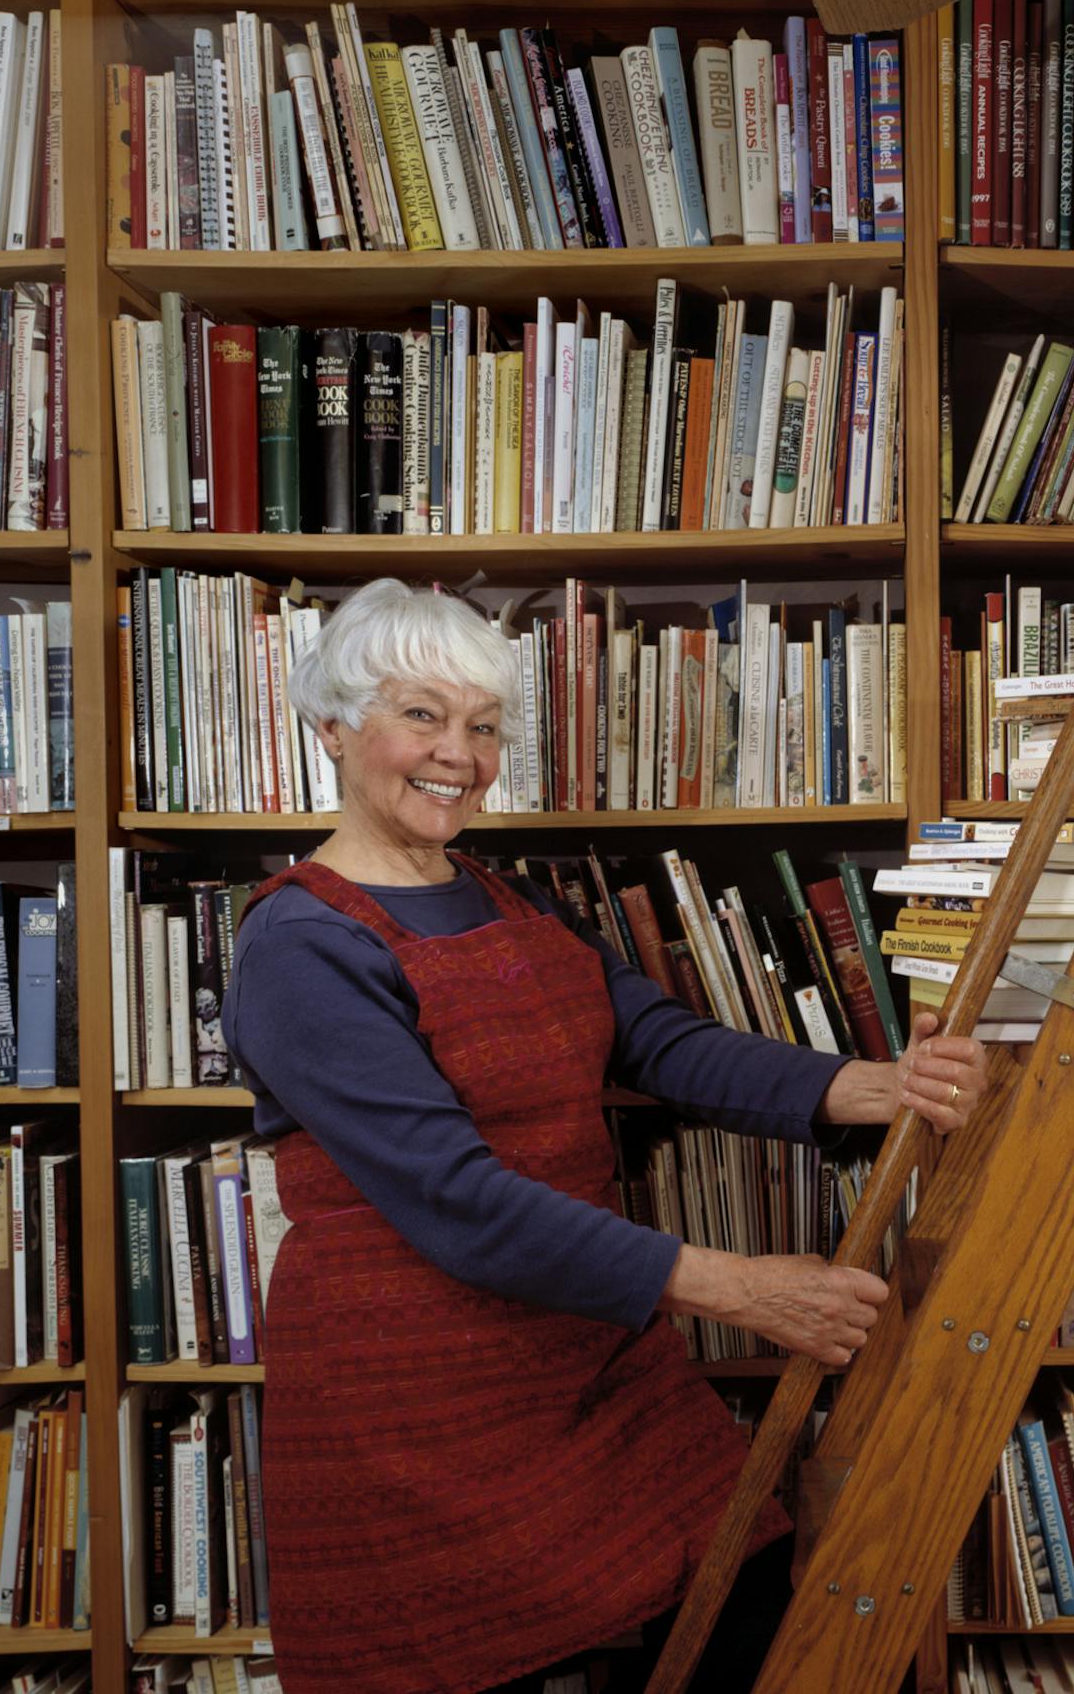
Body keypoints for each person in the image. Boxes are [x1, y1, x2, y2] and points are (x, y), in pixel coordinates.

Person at [222, 579, 987, 1694]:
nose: (460, 753)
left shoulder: (508, 895)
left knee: (771, 1603)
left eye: (483, 725)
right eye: (421, 715)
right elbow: (458, 1201)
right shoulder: (299, 941)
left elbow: (664, 1045)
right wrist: (739, 1288)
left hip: (582, 1355)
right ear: (334, 727)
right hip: (411, 1399)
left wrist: (876, 1084)